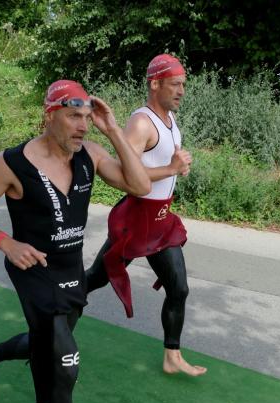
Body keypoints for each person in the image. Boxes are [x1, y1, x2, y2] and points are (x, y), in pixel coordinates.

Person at [0, 80, 150, 403]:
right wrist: (7, 243)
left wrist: (113, 130)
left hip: (70, 270)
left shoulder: (90, 154)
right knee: (66, 360)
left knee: (45, 343)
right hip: (33, 272)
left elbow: (140, 185)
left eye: (87, 118)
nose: (82, 126)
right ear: (49, 116)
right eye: (73, 116)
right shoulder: (10, 163)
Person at [85, 54, 206, 377]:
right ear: (155, 84)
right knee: (95, 279)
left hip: (161, 220)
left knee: (178, 289)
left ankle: (172, 356)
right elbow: (129, 175)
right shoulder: (141, 122)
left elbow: (163, 166)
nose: (181, 91)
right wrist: (171, 168)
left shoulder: (169, 119)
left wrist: (177, 167)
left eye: (183, 85)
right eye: (175, 84)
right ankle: (55, 311)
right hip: (138, 220)